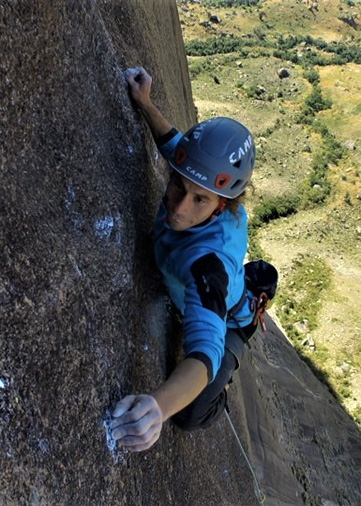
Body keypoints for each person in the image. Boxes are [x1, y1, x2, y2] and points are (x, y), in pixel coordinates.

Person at [108, 67, 259, 452]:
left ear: (222, 203)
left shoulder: (208, 265)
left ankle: (231, 371)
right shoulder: (200, 180)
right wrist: (145, 102)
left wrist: (158, 408)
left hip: (230, 325)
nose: (178, 206)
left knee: (190, 417)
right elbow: (175, 146)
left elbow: (205, 353)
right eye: (177, 185)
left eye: (199, 200)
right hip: (217, 288)